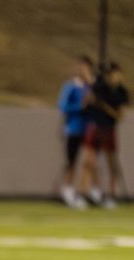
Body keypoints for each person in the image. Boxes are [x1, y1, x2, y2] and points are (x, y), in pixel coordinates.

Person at [77, 60, 129, 209]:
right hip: (95, 127)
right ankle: (86, 193)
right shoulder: (99, 88)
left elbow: (119, 114)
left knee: (111, 163)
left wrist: (107, 108)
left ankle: (111, 195)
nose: (113, 76)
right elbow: (87, 102)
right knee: (89, 162)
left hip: (109, 129)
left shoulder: (121, 92)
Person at [58, 56, 93, 208]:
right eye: (81, 67)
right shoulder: (71, 86)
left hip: (88, 129)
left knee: (87, 162)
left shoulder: (89, 87)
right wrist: (80, 106)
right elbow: (63, 106)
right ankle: (68, 191)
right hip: (73, 129)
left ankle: (83, 192)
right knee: (71, 161)